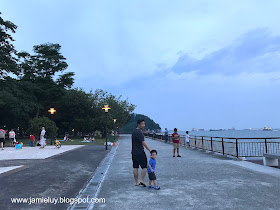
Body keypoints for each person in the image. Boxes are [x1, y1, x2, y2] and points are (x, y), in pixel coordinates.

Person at [132, 119, 151, 187]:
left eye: (144, 124)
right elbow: (143, 143)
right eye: (142, 124)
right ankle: (142, 180)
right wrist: (150, 150)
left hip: (134, 152)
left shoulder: (134, 132)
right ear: (138, 124)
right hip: (140, 152)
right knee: (144, 167)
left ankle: (137, 182)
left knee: (135, 167)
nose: (143, 125)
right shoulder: (139, 132)